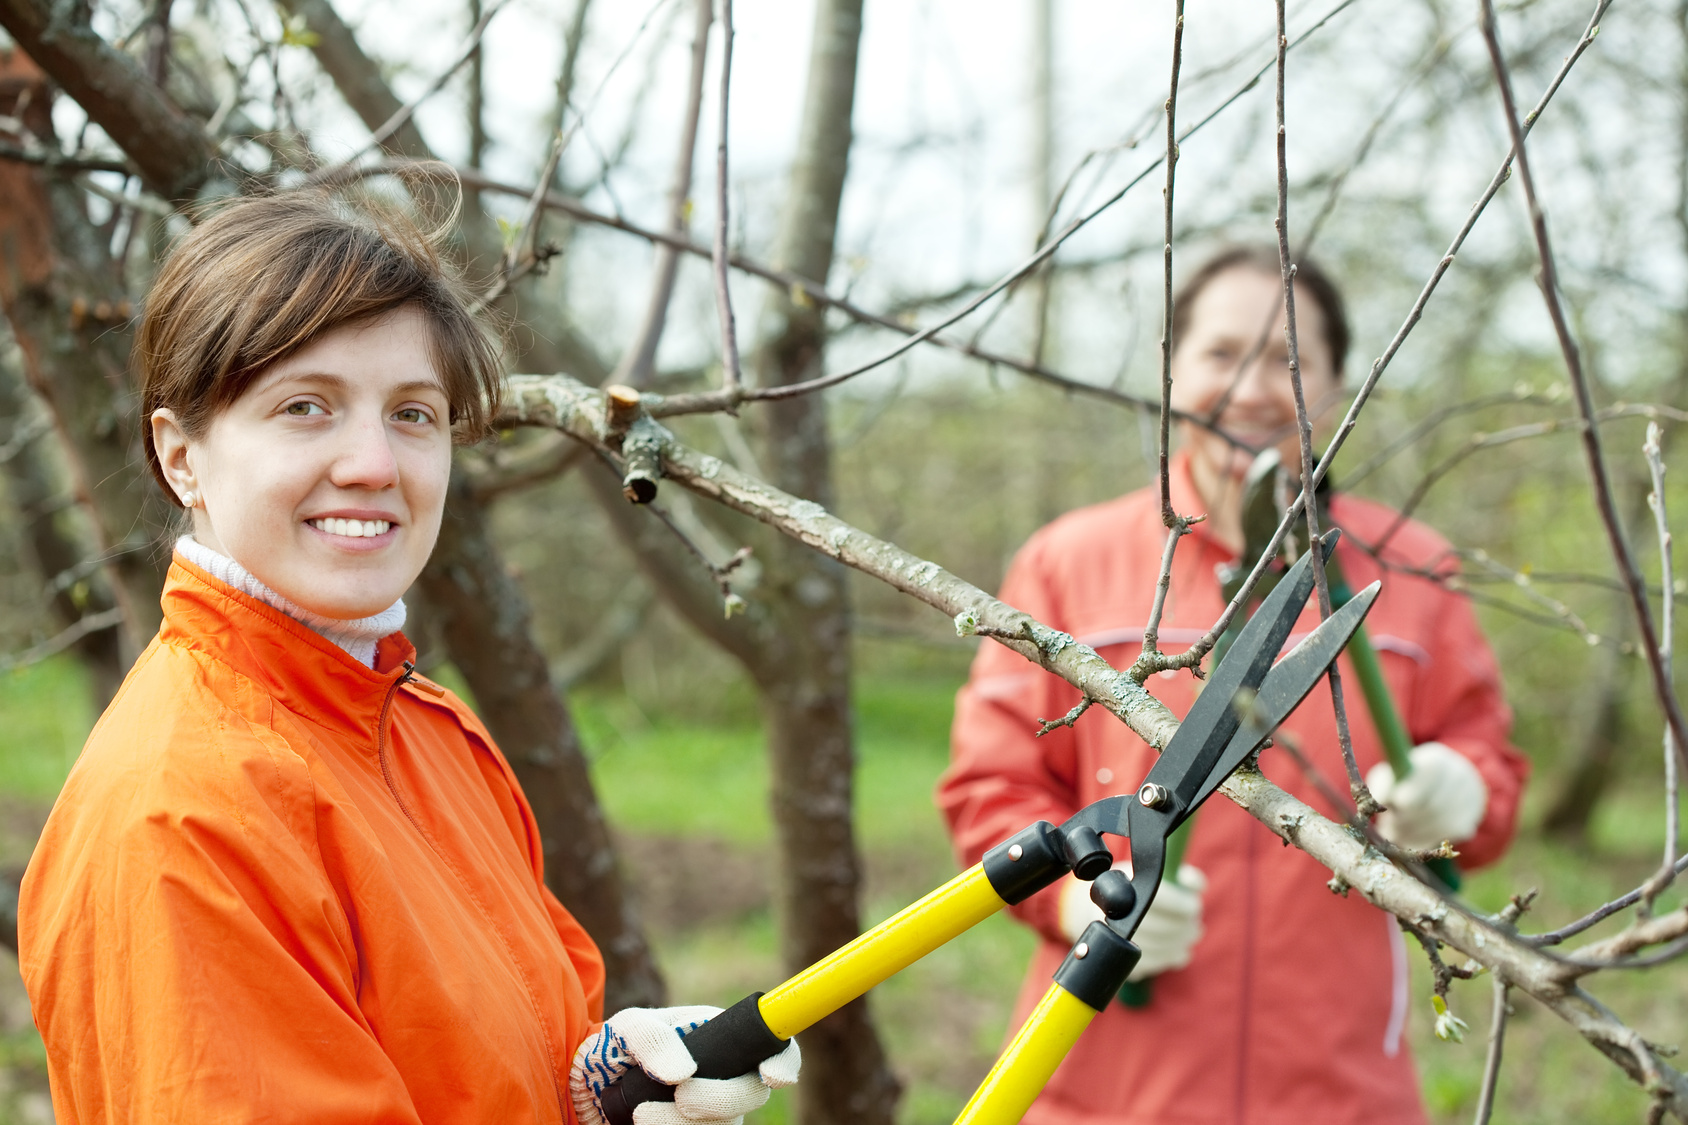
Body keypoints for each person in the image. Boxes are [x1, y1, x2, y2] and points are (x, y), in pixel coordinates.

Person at [17, 192, 798, 1125]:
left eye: (413, 414)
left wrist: (599, 1092)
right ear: (180, 454)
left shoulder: (423, 726)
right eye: (306, 407)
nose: (373, 464)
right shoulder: (184, 812)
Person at [938, 246, 1528, 1125]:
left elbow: (1491, 761)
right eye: (1221, 353)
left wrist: (1467, 790)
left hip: (1341, 1091)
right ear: (1172, 372)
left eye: (1290, 359)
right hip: (1101, 1087)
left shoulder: (1415, 568)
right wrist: (1069, 896)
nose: (1253, 388)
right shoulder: (1067, 564)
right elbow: (992, 785)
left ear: (1336, 384)